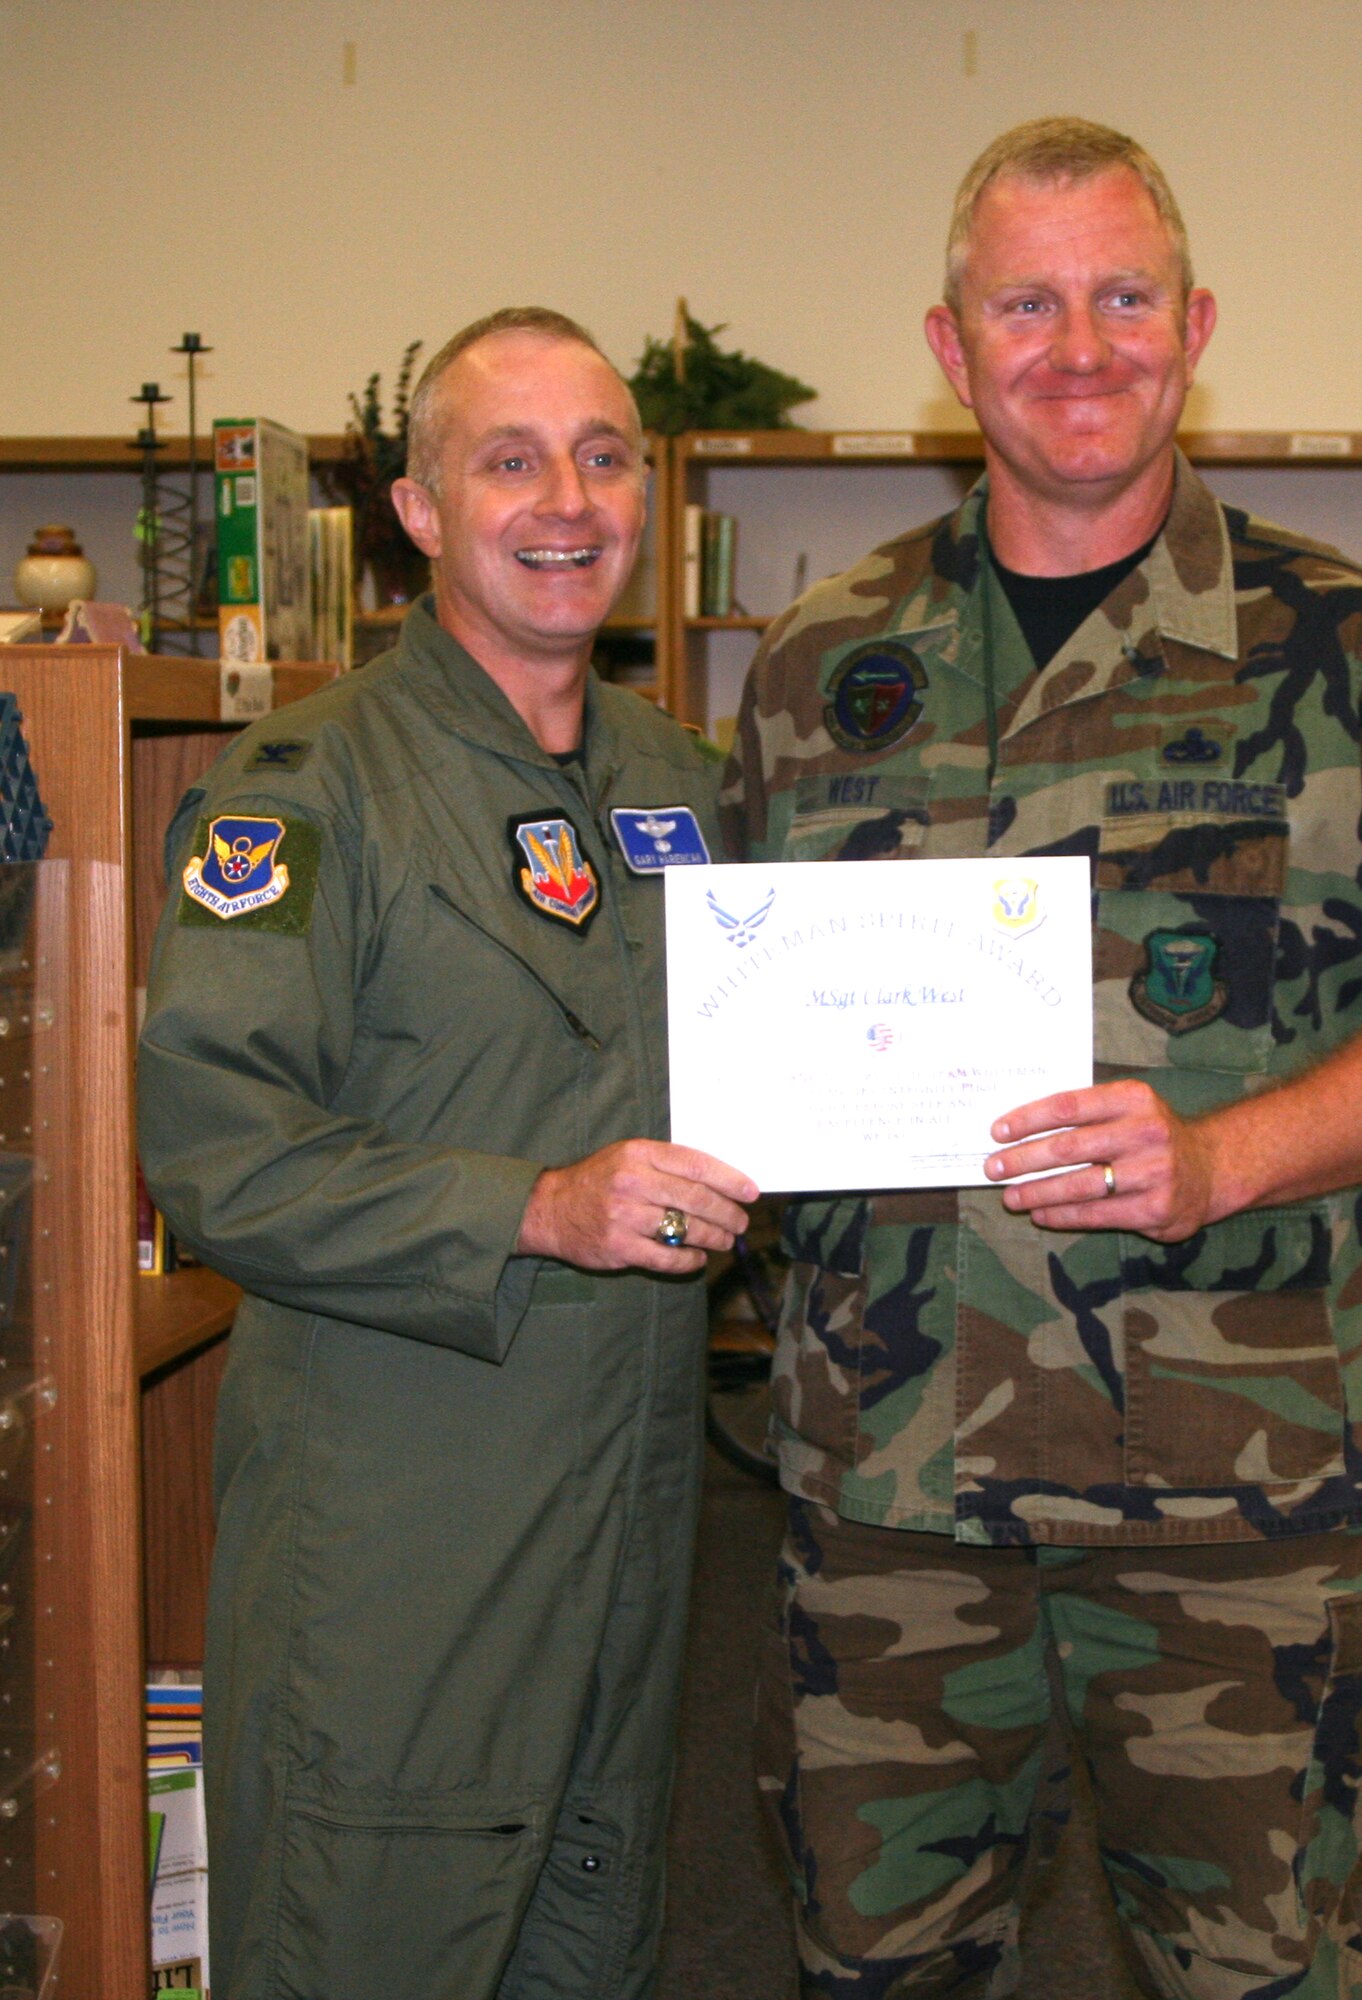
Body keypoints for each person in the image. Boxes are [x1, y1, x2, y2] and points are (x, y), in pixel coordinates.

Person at [722, 119, 1362, 2000]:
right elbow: (738, 1013)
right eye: (1025, 302)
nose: (1078, 344)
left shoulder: (1355, 654)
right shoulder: (814, 667)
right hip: (891, 1505)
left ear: (1194, 326)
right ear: (951, 350)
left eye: (1121, 296)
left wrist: (1222, 1157)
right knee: (872, 1973)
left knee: (1276, 1979)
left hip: (1237, 1505)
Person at [138, 306, 757, 2000]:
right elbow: (218, 1147)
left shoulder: (687, 792)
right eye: (510, 459)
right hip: (404, 1534)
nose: (568, 499)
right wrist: (536, 1209)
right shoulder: (304, 791)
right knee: (364, 1946)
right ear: (419, 514)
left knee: (593, 1941)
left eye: (605, 455)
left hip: (633, 1520)